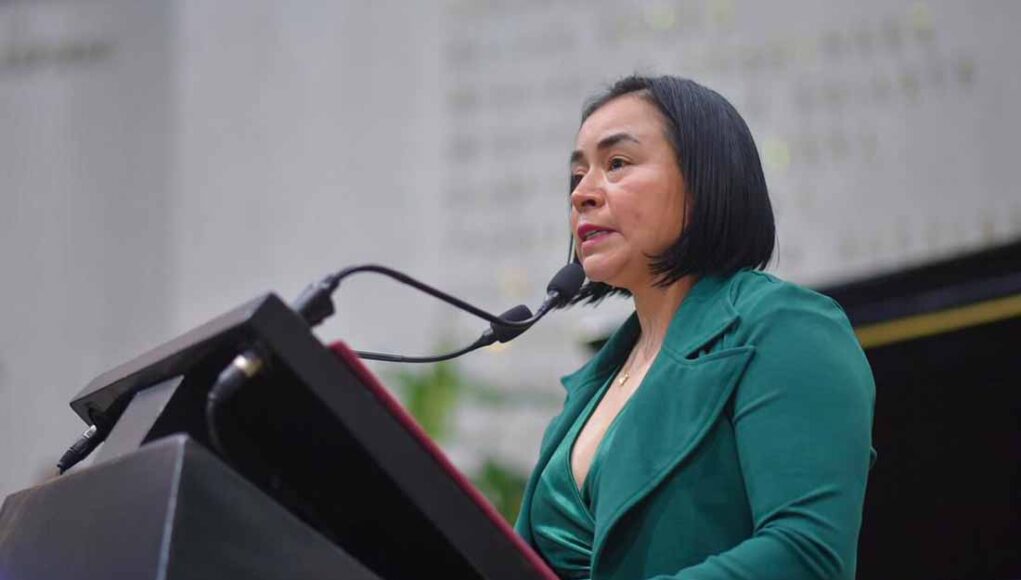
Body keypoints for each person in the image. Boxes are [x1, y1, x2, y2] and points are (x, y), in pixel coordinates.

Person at [514, 75, 876, 579]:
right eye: (578, 175)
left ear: (703, 180)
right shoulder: (594, 385)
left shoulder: (784, 328)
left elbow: (806, 556)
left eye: (617, 164)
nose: (582, 195)